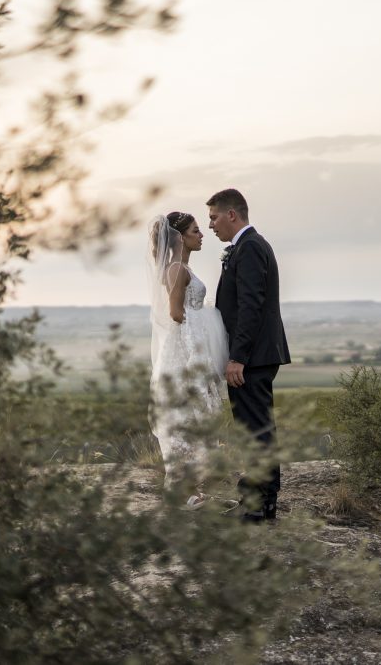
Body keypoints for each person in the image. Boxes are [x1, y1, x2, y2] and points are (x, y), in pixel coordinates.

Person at [208, 189, 291, 523]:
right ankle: (261, 503)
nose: (210, 225)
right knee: (256, 429)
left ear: (232, 215)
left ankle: (258, 506)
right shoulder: (245, 247)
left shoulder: (251, 247)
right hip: (254, 356)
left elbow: (251, 306)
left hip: (252, 358)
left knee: (256, 430)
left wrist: (237, 357)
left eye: (214, 217)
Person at [146, 211, 228, 509]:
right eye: (196, 230)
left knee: (193, 419)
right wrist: (206, 320)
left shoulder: (182, 268)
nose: (202, 234)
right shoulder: (177, 269)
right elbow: (177, 314)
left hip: (188, 347)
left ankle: (191, 490)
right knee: (184, 419)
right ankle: (182, 494)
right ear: (181, 237)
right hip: (183, 353)